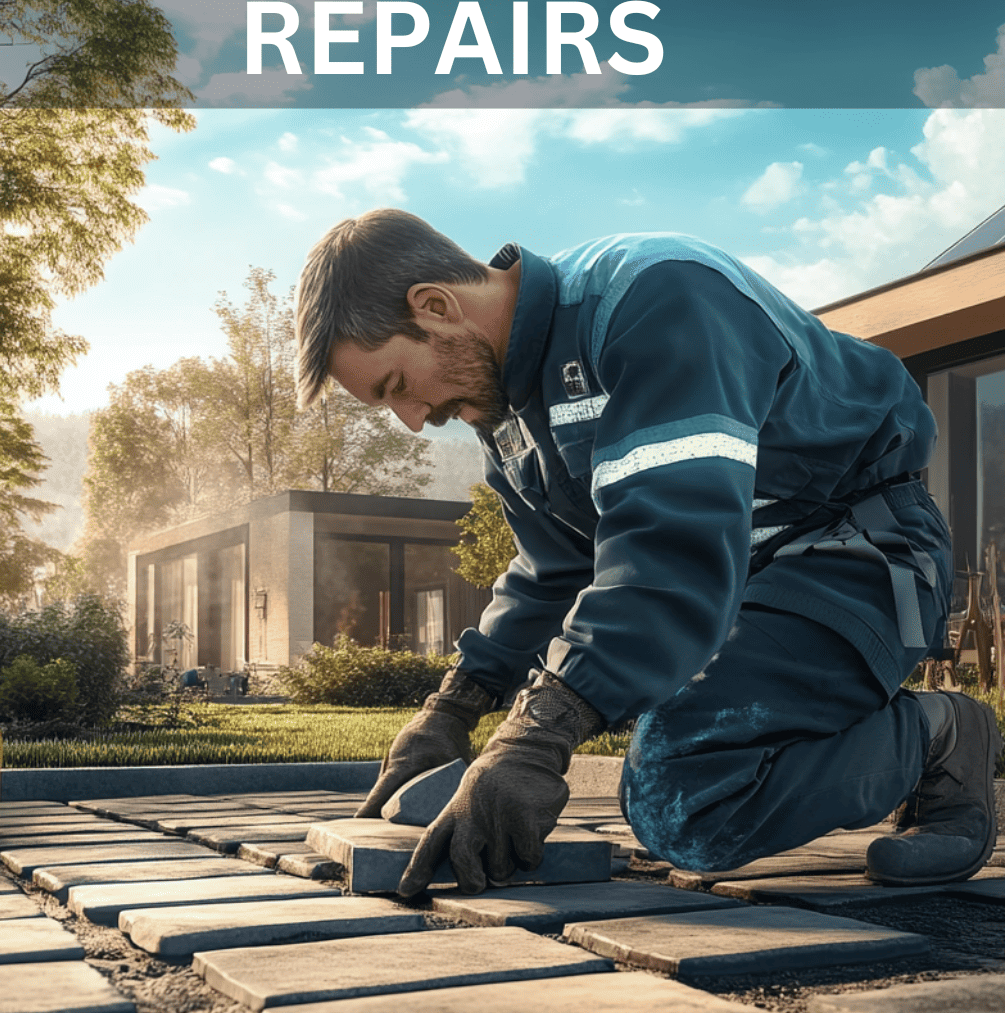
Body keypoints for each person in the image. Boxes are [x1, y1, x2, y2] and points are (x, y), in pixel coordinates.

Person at [296, 208, 1000, 898]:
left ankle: (938, 739)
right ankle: (853, 732)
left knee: (680, 794)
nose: (414, 420)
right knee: (689, 763)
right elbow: (553, 572)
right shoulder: (505, 412)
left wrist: (537, 735)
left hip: (870, 557)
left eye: (396, 386)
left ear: (437, 305)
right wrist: (455, 706)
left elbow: (674, 550)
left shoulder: (656, 297)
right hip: (747, 589)